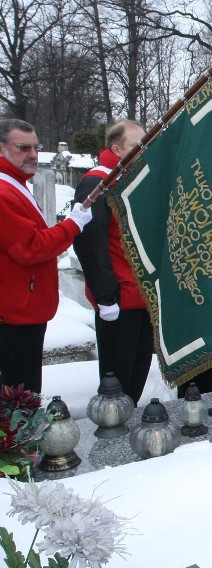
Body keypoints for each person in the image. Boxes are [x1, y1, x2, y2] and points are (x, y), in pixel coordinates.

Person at [0, 119, 92, 393]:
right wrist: (72, 225)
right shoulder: (4, 192)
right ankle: (16, 437)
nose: (32, 154)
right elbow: (31, 247)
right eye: (22, 147)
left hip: (25, 308)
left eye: (35, 147)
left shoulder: (16, 185)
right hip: (15, 314)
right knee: (18, 395)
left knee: (23, 389)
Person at [73, 120, 152, 404]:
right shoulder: (98, 182)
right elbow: (89, 241)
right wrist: (106, 297)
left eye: (146, 143)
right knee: (116, 381)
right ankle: (113, 433)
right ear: (116, 149)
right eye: (136, 145)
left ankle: (127, 427)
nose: (144, 150)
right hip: (119, 297)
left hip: (142, 295)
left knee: (138, 371)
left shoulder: (131, 178)